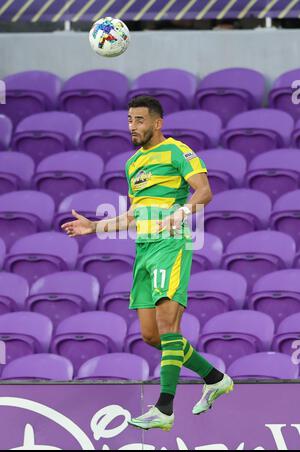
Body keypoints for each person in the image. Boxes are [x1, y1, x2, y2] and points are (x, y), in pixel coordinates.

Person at [61, 95, 234, 431]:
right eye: (129, 120)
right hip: (144, 250)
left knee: (169, 328)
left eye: (139, 120)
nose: (132, 126)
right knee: (151, 335)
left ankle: (165, 408)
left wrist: (180, 214)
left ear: (157, 122)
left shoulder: (177, 151)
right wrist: (95, 226)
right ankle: (214, 379)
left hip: (171, 244)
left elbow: (204, 191)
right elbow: (133, 214)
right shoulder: (132, 164)